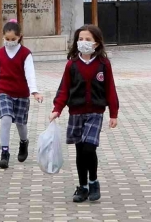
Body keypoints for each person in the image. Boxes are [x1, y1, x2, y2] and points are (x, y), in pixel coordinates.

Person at [50, 24, 119, 203]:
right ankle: (82, 186)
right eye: (80, 39)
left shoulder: (103, 64)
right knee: (80, 151)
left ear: (96, 43)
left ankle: (93, 181)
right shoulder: (72, 65)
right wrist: (57, 109)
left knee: (89, 148)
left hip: (95, 112)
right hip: (76, 112)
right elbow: (64, 89)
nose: (83, 42)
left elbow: (110, 88)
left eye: (88, 39)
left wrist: (113, 113)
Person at [0, 19, 43, 169]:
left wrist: (34, 91)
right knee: (5, 119)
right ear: (3, 36)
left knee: (20, 123)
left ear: (19, 37)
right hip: (4, 92)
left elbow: (30, 74)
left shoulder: (25, 54)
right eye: (7, 39)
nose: (9, 42)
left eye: (13, 39)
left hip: (22, 93)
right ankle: (4, 153)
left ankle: (24, 142)